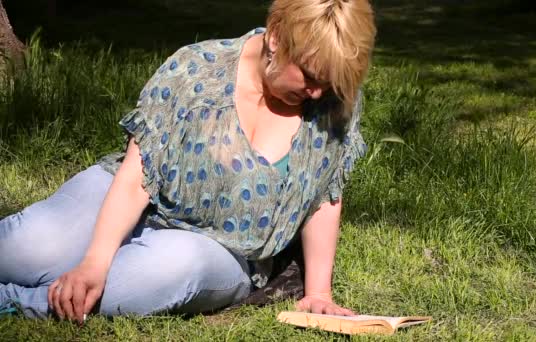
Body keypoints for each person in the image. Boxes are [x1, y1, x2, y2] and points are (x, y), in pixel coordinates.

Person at [0, 0, 376, 323]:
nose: (317, 92)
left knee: (170, 268)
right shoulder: (196, 69)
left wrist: (319, 292)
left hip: (218, 248)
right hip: (135, 196)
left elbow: (325, 194)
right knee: (31, 247)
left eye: (328, 82)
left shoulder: (333, 100)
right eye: (310, 76)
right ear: (276, 37)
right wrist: (95, 260)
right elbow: (137, 176)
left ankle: (17, 303)